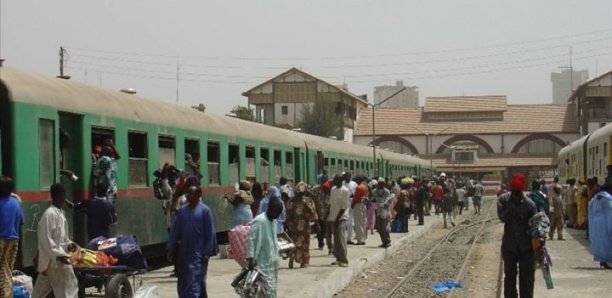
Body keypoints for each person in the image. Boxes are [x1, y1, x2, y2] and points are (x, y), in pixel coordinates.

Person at [166, 186, 218, 298]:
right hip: (184, 253)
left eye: (191, 193)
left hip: (198, 253)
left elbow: (210, 232)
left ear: (199, 195)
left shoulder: (205, 211)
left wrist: (207, 251)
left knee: (194, 280)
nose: (188, 196)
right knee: (184, 279)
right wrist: (171, 248)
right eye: (188, 193)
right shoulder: (182, 211)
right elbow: (175, 231)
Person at [31, 183, 79, 298]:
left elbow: (64, 239)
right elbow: (46, 240)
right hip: (54, 263)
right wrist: (60, 255)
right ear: (60, 195)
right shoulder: (49, 215)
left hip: (54, 262)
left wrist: (72, 247)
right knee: (69, 291)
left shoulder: (61, 214)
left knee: (38, 294)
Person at [497, 173, 537, 298]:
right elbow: (502, 218)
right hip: (509, 246)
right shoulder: (503, 200)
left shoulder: (530, 204)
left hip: (527, 248)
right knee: (509, 277)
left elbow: (535, 226)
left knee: (527, 278)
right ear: (511, 188)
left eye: (518, 192)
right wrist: (513, 207)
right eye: (514, 192)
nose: (516, 195)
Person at [246, 195, 284, 298]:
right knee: (261, 292)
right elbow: (252, 239)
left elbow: (273, 241)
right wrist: (250, 257)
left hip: (272, 263)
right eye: (276, 212)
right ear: (270, 208)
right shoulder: (260, 221)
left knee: (271, 290)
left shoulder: (274, 221)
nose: (278, 215)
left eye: (279, 213)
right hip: (261, 263)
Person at [0, 176, 23, 298]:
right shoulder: (16, 203)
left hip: (1, 239)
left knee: (2, 271)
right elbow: (20, 221)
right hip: (13, 240)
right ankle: (8, 294)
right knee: (7, 269)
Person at [286, 182, 318, 268]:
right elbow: (313, 213)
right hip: (304, 225)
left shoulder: (291, 201)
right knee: (305, 243)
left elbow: (288, 213)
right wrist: (316, 222)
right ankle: (304, 261)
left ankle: (293, 255)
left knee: (294, 241)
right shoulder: (307, 200)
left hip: (293, 225)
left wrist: (288, 223)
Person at [588, 183, 612, 269]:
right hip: (604, 221)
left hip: (595, 221)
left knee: (599, 241)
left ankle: (602, 260)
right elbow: (610, 213)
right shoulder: (608, 199)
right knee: (606, 241)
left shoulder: (594, 198)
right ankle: (607, 261)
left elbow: (590, 210)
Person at [328, 175, 349, 266]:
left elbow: (344, 207)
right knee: (336, 239)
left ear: (340, 181)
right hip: (333, 216)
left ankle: (344, 260)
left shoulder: (345, 191)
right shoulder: (333, 189)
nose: (334, 181)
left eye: (335, 180)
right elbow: (331, 204)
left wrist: (337, 219)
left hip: (341, 217)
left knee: (341, 238)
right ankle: (338, 258)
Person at [312, 177, 332, 252]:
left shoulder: (330, 188)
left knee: (326, 230)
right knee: (319, 229)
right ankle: (321, 244)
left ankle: (330, 246)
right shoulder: (315, 189)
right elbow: (312, 199)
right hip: (317, 212)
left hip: (327, 212)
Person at [373, 177, 392, 248]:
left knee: (384, 227)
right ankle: (384, 241)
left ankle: (387, 240)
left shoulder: (387, 191)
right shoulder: (375, 191)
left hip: (385, 211)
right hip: (378, 211)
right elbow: (373, 199)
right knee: (379, 228)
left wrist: (385, 204)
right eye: (380, 183)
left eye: (383, 183)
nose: (382, 185)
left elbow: (389, 201)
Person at [352, 176, 368, 244]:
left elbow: (356, 198)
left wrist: (352, 204)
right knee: (363, 222)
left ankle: (360, 240)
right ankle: (363, 238)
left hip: (358, 204)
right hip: (363, 204)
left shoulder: (359, 187)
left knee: (358, 223)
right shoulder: (365, 186)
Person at [342, 172, 357, 245]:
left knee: (351, 222)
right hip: (343, 204)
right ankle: (344, 238)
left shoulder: (354, 184)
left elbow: (356, 193)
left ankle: (350, 238)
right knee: (344, 221)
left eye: (349, 177)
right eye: (346, 177)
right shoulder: (341, 183)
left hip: (351, 203)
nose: (347, 178)